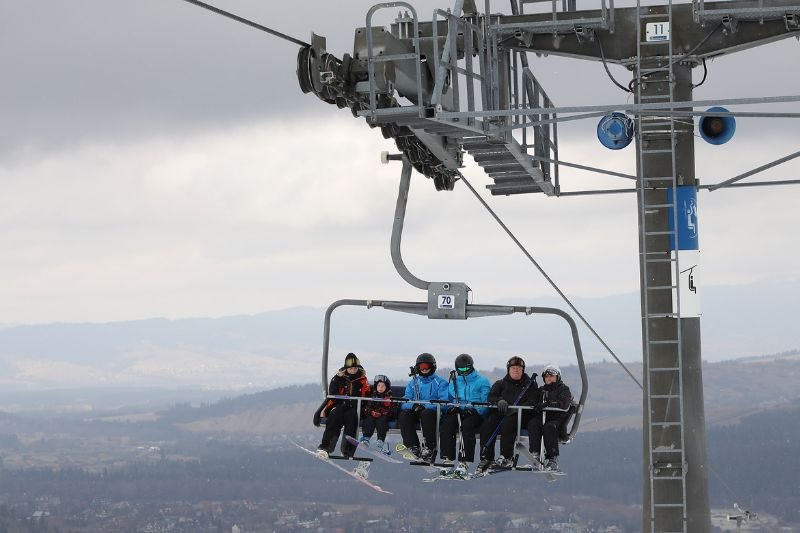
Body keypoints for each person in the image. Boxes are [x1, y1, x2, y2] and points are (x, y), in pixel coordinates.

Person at [477, 356, 538, 471]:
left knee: (508, 424)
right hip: (502, 413)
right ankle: (487, 457)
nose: (516, 370)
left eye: (519, 368)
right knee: (488, 424)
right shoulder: (500, 384)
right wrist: (499, 401)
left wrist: (518, 408)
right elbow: (491, 397)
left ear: (523, 370)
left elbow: (534, 400)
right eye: (513, 368)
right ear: (508, 369)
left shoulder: (530, 386)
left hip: (520, 416)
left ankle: (506, 456)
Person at [440, 353, 491, 466]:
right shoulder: (455, 381)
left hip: (475, 413)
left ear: (471, 366)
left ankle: (464, 460)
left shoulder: (482, 381)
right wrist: (452, 408)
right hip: (459, 410)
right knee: (447, 423)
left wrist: (476, 410)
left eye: (466, 368)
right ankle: (447, 457)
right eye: (461, 369)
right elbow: (450, 398)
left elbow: (486, 402)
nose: (464, 371)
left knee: (467, 425)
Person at [316, 353, 370, 459]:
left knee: (352, 420)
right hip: (340, 405)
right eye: (351, 368)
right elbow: (333, 394)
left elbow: (366, 395)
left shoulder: (362, 380)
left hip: (355, 407)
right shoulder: (338, 379)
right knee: (334, 418)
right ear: (346, 368)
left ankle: (347, 450)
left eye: (355, 368)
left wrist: (359, 404)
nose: (353, 370)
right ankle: (326, 447)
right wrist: (341, 400)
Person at [398, 353, 449, 463]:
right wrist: (414, 405)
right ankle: (412, 446)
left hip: (432, 413)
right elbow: (405, 400)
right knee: (405, 414)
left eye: (426, 366)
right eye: (421, 367)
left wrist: (425, 406)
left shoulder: (440, 383)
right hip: (416, 411)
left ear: (432, 367)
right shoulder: (413, 383)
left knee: (427, 414)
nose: (424, 369)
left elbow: (444, 402)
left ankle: (429, 447)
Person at [526, 364, 573, 471]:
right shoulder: (541, 390)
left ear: (557, 377)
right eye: (546, 376)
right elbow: (534, 400)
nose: (549, 378)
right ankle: (535, 454)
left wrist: (547, 404)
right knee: (533, 423)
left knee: (549, 427)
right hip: (542, 418)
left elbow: (564, 403)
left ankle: (553, 459)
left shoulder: (563, 389)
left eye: (551, 376)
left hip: (557, 420)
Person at [359, 374, 395, 453]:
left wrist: (384, 412)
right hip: (372, 415)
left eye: (383, 386)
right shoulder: (372, 396)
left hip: (383, 416)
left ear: (387, 387)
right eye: (378, 386)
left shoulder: (390, 397)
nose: (380, 388)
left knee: (382, 421)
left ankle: (380, 439)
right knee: (369, 420)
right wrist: (371, 412)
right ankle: (366, 438)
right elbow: (366, 407)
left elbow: (393, 410)